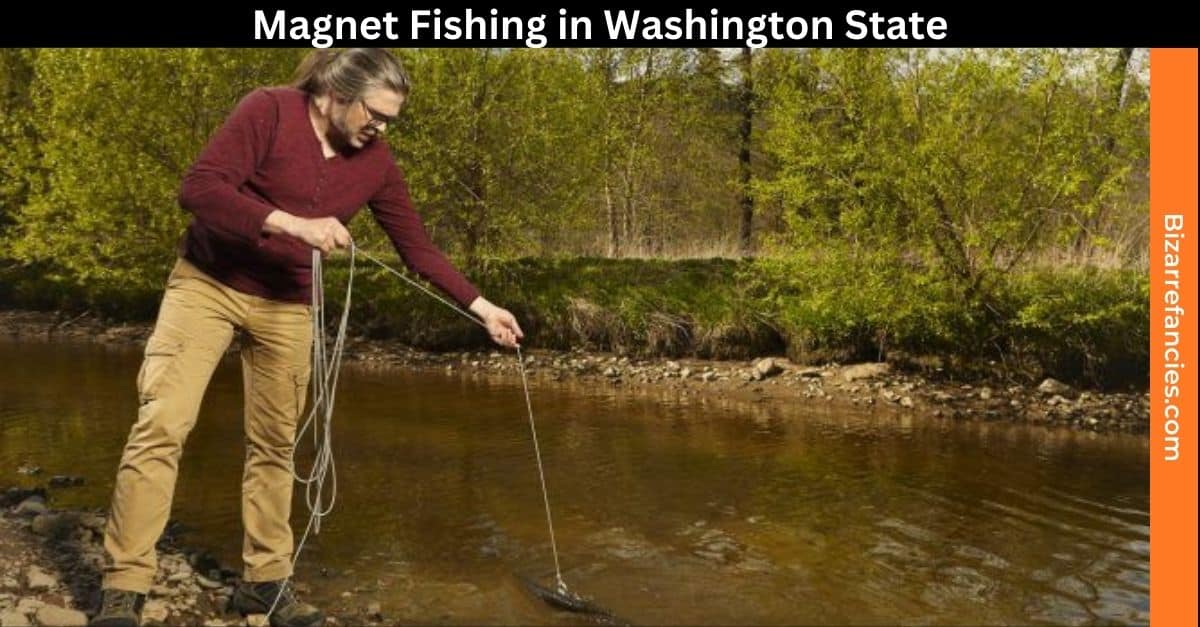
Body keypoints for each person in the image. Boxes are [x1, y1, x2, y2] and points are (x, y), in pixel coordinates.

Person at [89, 48, 524, 627]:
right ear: (337, 94)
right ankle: (124, 586)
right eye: (376, 113)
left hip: (289, 305)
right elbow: (199, 189)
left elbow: (415, 248)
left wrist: (483, 308)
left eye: (391, 119)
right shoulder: (268, 110)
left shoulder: (376, 160)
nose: (382, 127)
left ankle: (264, 585)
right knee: (162, 425)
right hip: (208, 285)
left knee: (274, 445)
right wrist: (290, 223)